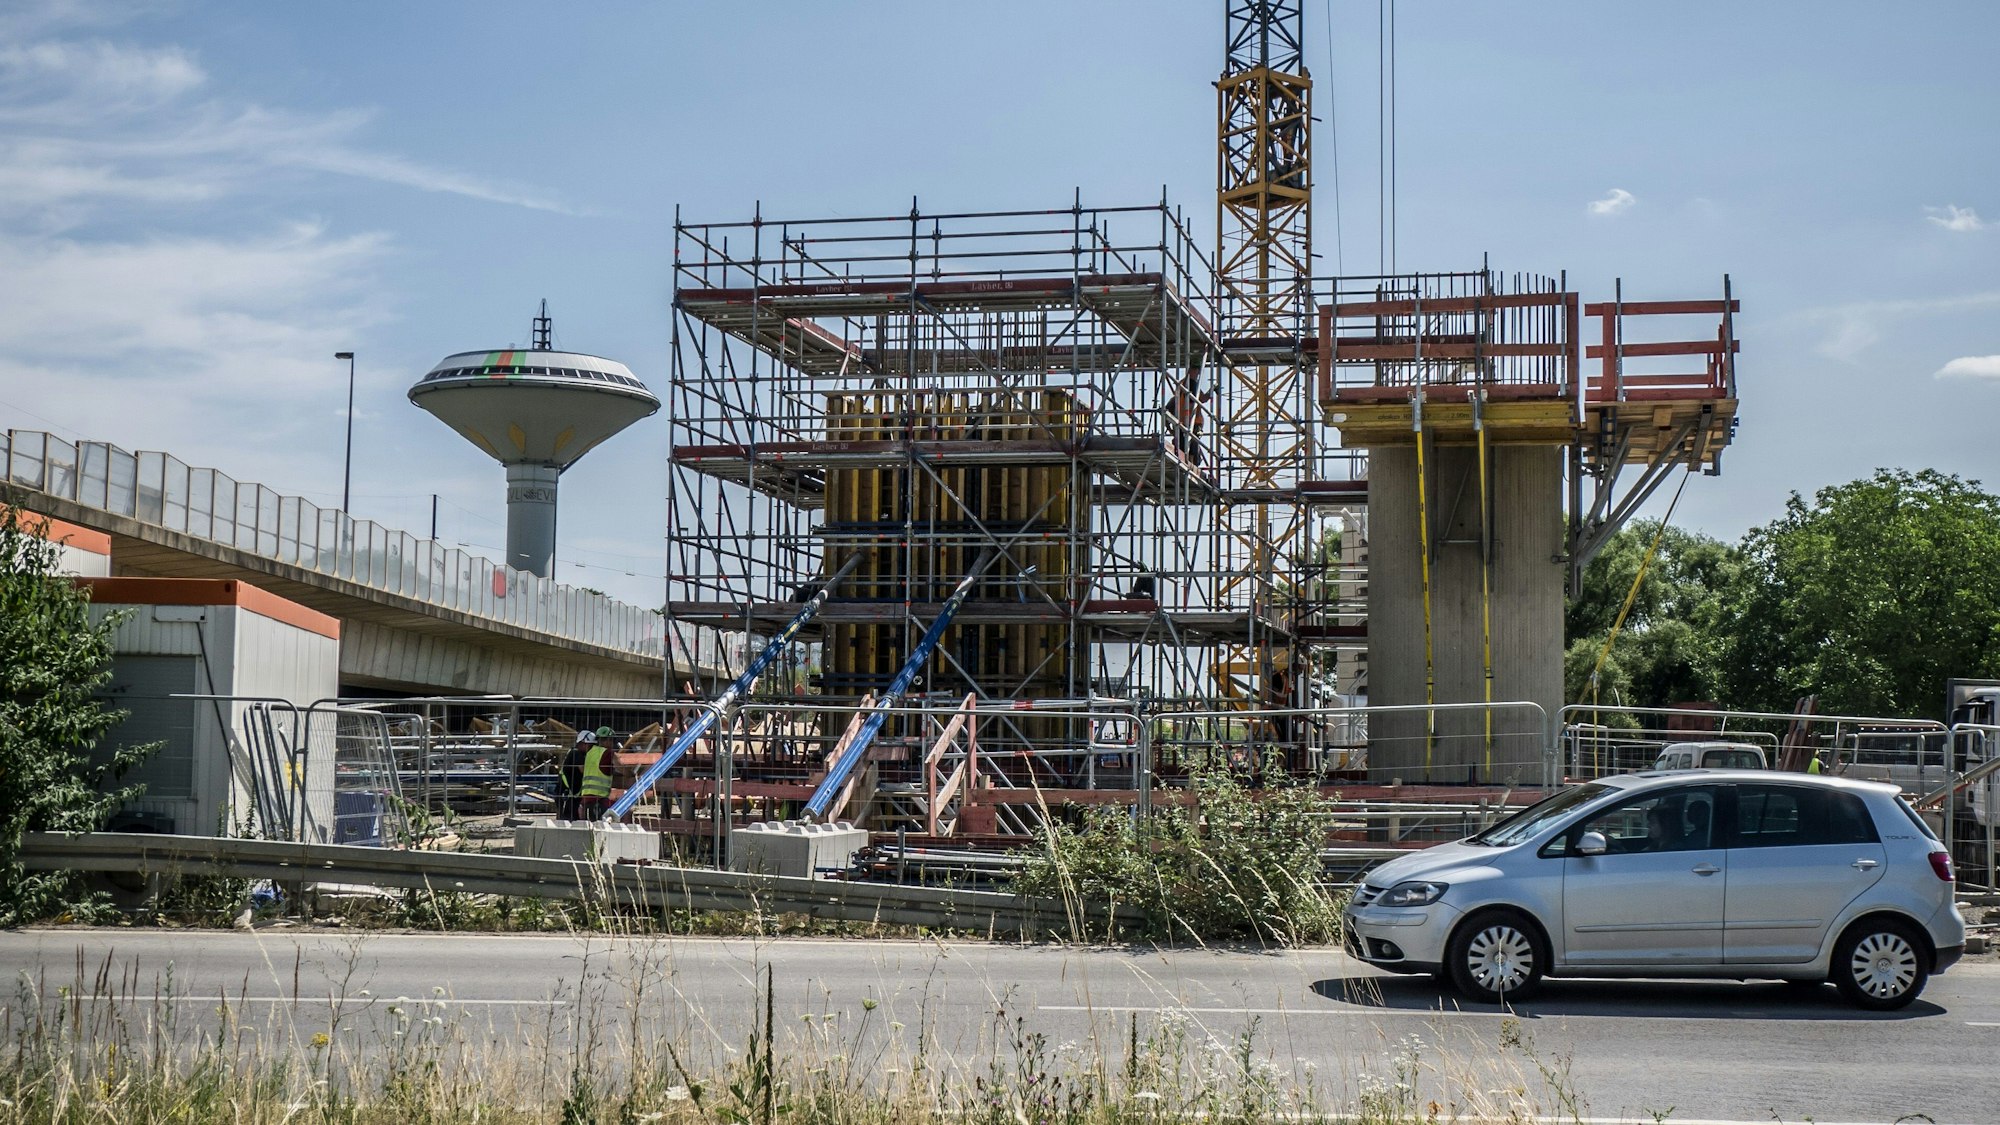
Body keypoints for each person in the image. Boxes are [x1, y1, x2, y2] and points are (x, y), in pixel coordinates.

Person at [578, 728, 615, 820]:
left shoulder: (590, 753)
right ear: (608, 740)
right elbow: (615, 769)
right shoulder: (607, 753)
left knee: (588, 825)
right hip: (599, 799)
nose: (612, 744)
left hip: (586, 797)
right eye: (612, 740)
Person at [558, 730, 594, 821]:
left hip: (572, 792)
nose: (591, 748)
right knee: (568, 819)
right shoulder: (577, 753)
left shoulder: (579, 753)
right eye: (589, 745)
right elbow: (583, 770)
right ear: (582, 743)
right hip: (568, 793)